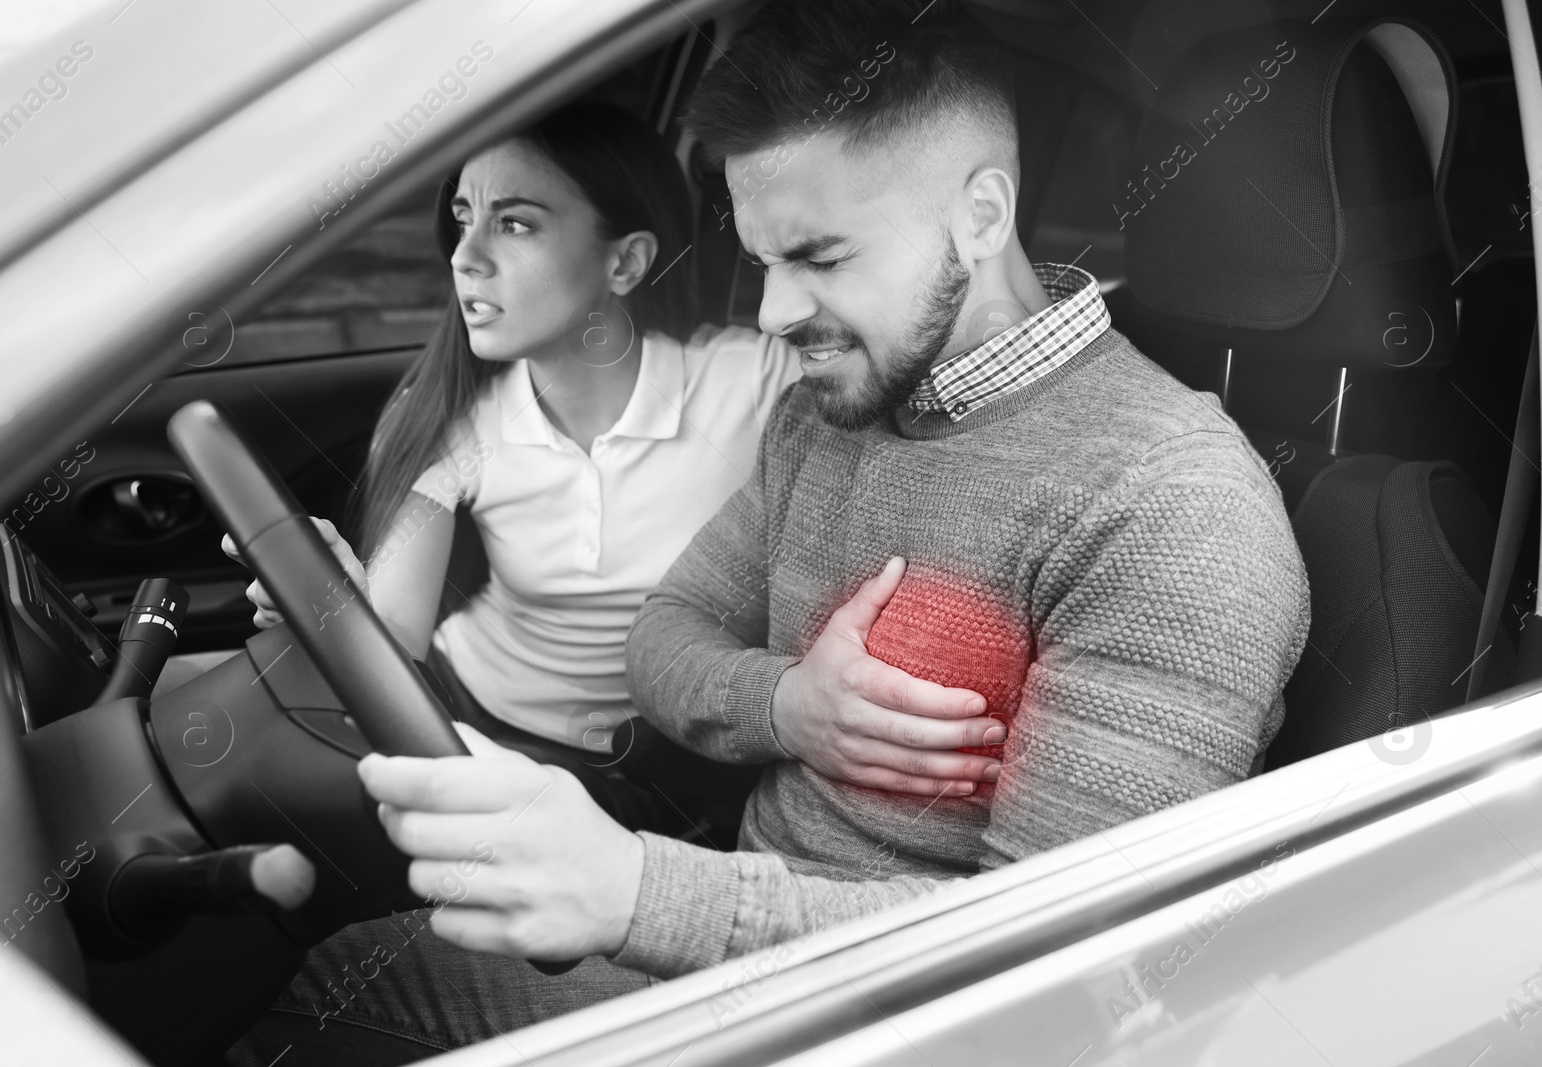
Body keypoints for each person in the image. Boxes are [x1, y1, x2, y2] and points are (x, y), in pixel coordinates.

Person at [229, 2, 1309, 1062]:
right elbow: (663, 641)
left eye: (820, 258)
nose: (771, 314)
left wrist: (637, 891)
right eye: (760, 261)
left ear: (981, 217)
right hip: (728, 937)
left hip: (880, 1025)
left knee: (312, 1000)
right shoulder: (826, 413)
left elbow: (1054, 973)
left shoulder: (1171, 506)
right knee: (315, 964)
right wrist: (786, 705)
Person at [226, 100, 799, 838]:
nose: (466, 255)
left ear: (624, 262)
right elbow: (394, 632)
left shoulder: (751, 382)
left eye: (515, 222)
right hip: (470, 722)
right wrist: (329, 597)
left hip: (668, 770)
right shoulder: (452, 411)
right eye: (463, 218)